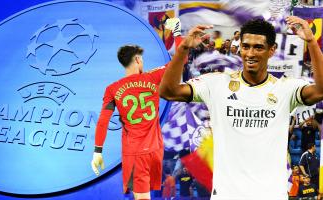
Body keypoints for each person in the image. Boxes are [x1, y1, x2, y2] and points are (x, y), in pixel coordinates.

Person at [159, 16, 323, 200]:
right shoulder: (216, 83)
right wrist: (183, 48)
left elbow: (320, 90)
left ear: (272, 50)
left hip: (270, 194)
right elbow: (168, 91)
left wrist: (311, 43)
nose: (250, 53)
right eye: (246, 46)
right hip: (227, 195)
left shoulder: (286, 88)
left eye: (258, 47)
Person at [90, 44, 168, 200]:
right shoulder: (153, 77)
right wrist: (177, 34)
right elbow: (179, 61)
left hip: (135, 153)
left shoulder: (112, 89)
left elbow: (103, 122)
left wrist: (97, 151)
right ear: (138, 59)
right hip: (156, 149)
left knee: (141, 197)